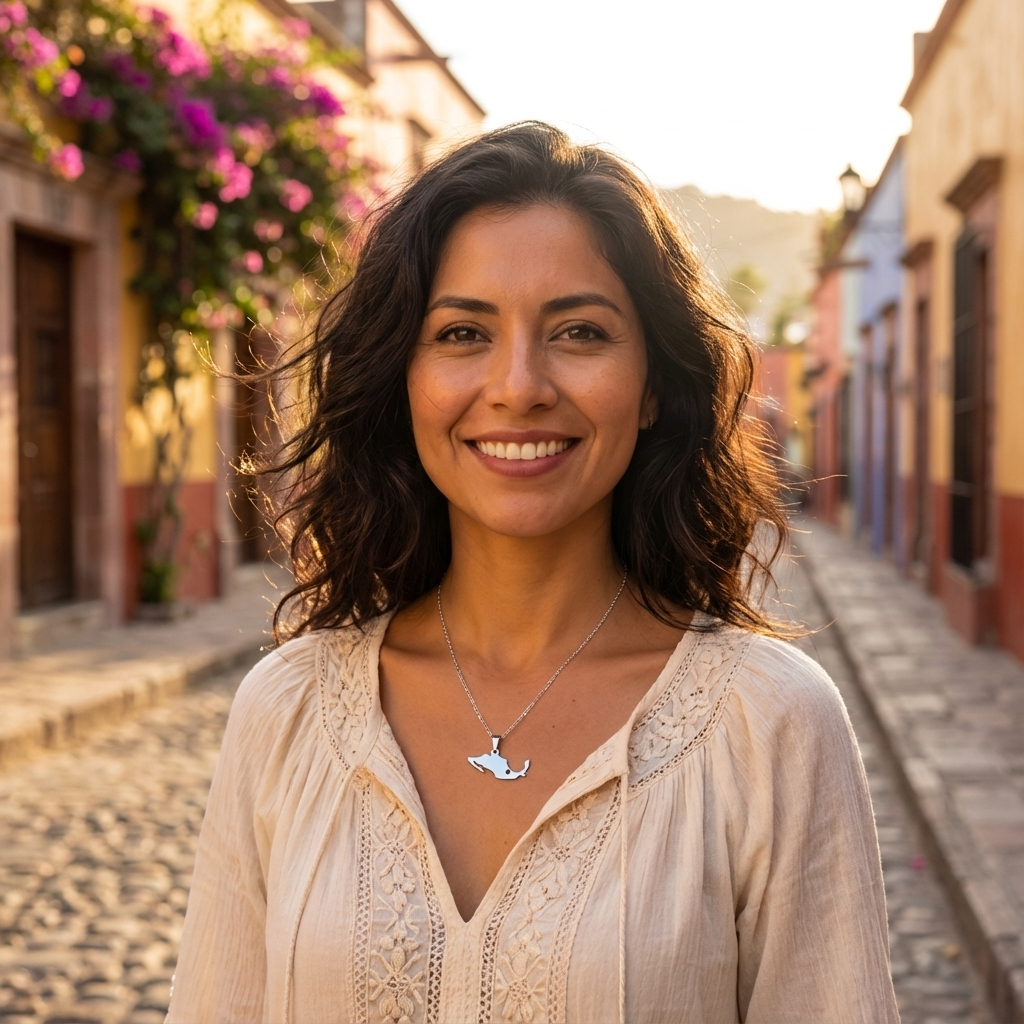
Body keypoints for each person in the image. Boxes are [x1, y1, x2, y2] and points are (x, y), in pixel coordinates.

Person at [166, 122, 899, 1024]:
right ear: (403, 376)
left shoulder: (769, 724)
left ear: (655, 385)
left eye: (580, 332)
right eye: (463, 331)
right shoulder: (287, 711)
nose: (518, 385)